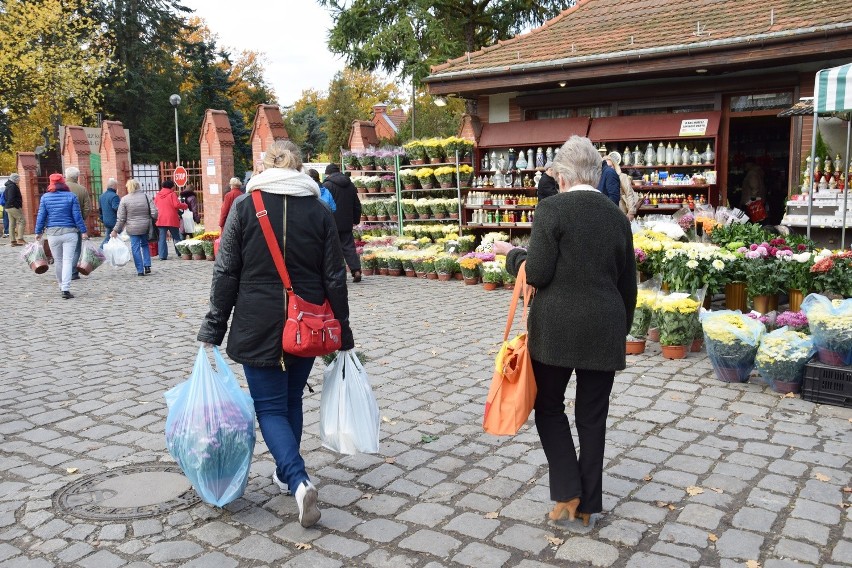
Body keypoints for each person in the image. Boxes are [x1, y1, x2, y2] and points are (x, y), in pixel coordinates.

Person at [197, 140, 354, 528]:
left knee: (269, 407)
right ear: (299, 167)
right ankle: (287, 474)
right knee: (291, 400)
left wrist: (214, 326)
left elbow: (226, 270)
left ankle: (298, 481)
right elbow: (335, 275)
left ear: (264, 167)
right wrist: (344, 331)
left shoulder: (244, 207)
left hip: (257, 321)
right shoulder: (317, 210)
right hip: (307, 324)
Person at [492, 135, 636, 527]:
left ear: (564, 175)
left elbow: (537, 272)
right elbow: (628, 286)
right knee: (592, 417)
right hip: (604, 327)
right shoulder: (617, 218)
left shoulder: (552, 211)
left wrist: (511, 256)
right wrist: (619, 330)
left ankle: (568, 488)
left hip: (555, 329)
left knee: (548, 406)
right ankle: (587, 504)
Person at [34, 173, 90, 299]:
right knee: (67, 260)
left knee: (58, 260)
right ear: (63, 182)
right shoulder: (71, 196)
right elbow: (77, 216)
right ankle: (65, 288)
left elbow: (41, 216)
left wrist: (38, 232)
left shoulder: (45, 198)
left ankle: (61, 285)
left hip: (53, 233)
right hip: (70, 232)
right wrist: (83, 231)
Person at [323, 164, 362, 282]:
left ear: (328, 174)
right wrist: (355, 219)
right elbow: (357, 204)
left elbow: (324, 204)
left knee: (333, 249)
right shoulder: (350, 185)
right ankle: (356, 270)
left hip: (332, 222)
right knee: (349, 247)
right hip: (346, 222)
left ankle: (338, 274)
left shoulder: (327, 185)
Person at [111, 179, 158, 276]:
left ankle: (140, 270)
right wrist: (153, 218)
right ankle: (147, 264)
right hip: (146, 226)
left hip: (132, 228)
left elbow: (121, 218)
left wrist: (116, 230)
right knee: (145, 244)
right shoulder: (146, 197)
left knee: (135, 248)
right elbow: (154, 212)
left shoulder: (124, 199)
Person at [65, 167, 92, 280]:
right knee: (76, 249)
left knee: (63, 250)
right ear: (77, 177)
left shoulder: (60, 189)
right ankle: (73, 272)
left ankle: (65, 271)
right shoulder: (82, 189)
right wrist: (82, 218)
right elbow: (87, 207)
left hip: (61, 224)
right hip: (76, 224)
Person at [154, 180, 188, 260]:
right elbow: (176, 205)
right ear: (171, 186)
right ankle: (180, 252)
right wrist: (185, 205)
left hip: (161, 218)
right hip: (171, 218)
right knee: (176, 236)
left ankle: (162, 255)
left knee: (162, 238)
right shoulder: (172, 194)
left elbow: (155, 204)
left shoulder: (158, 195)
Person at [606, 152, 640, 221]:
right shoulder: (602, 178)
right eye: (606, 167)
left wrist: (631, 212)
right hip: (607, 212)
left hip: (621, 211)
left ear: (614, 165)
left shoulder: (622, 177)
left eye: (610, 166)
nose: (608, 169)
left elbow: (629, 194)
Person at [98, 178, 121, 247]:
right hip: (114, 221)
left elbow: (100, 209)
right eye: (116, 186)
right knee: (110, 238)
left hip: (106, 221)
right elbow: (116, 208)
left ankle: (110, 253)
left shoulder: (102, 196)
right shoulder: (114, 196)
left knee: (110, 237)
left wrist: (102, 218)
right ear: (114, 186)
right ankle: (99, 252)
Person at [4, 173, 24, 245]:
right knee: (22, 221)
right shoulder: (12, 186)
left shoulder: (8, 186)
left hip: (8, 206)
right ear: (15, 179)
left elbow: (6, 197)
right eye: (18, 179)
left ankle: (13, 241)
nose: (19, 180)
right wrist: (16, 205)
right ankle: (20, 239)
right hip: (12, 206)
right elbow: (11, 197)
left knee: (12, 223)